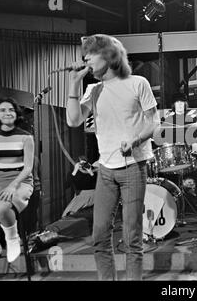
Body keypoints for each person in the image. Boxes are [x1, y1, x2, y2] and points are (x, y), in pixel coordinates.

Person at [66, 34, 160, 281]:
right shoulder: (93, 90)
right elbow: (73, 120)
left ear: (109, 55)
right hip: (105, 170)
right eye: (84, 54)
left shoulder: (138, 83)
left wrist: (136, 140)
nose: (85, 58)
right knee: (99, 237)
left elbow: (154, 123)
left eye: (91, 53)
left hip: (133, 167)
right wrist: (73, 84)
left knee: (131, 239)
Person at [0, 97, 34, 272]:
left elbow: (28, 168)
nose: (7, 113)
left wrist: (13, 185)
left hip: (20, 180)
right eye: (3, 110)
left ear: (16, 114)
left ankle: (12, 239)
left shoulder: (26, 137)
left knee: (0, 208)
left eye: (11, 109)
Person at [155, 93, 197, 223]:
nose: (180, 105)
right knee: (163, 183)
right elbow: (160, 142)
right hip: (171, 162)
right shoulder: (167, 121)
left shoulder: (191, 120)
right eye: (177, 103)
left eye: (182, 103)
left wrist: (195, 147)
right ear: (173, 105)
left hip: (188, 159)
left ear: (185, 105)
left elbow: (196, 138)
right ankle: (167, 213)